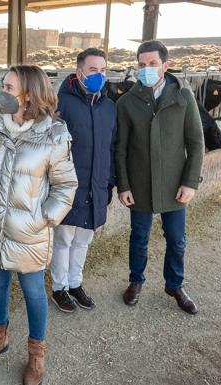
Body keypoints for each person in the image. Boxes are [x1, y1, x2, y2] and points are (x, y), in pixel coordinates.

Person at [0, 65, 78, 385]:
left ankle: (36, 356)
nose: (3, 92)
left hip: (28, 229)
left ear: (28, 93)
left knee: (32, 291)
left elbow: (65, 185)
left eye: (9, 87)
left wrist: (45, 218)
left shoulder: (54, 134)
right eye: (3, 85)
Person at [116, 40, 204, 315]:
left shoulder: (182, 97)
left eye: (152, 64)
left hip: (174, 184)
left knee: (177, 239)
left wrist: (190, 182)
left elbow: (196, 142)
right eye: (141, 65)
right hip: (140, 183)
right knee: (139, 236)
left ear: (165, 65)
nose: (146, 69)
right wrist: (124, 185)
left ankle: (174, 284)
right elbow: (120, 148)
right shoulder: (127, 102)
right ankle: (136, 281)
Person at [49, 48, 117, 313]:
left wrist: (109, 181)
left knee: (83, 240)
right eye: (92, 70)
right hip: (69, 186)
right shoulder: (61, 104)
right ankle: (59, 288)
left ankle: (75, 283)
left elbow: (112, 146)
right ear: (79, 73)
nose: (99, 75)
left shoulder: (109, 107)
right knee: (64, 238)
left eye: (102, 70)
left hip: (96, 183)